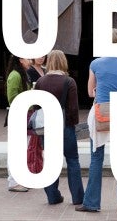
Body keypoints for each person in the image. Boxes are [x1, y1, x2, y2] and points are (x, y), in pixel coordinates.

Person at [75, 28, 117, 212]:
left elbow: (89, 91)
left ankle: (92, 203)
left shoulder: (96, 64)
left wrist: (97, 91)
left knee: (96, 157)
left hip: (100, 113)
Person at [35, 50, 84, 205]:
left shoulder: (41, 81)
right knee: (72, 161)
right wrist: (73, 125)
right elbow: (73, 109)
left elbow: (37, 105)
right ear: (64, 62)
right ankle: (77, 198)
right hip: (65, 127)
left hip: (47, 127)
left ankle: (52, 196)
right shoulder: (69, 82)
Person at [5, 55, 31, 192]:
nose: (30, 61)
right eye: (28, 58)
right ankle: (14, 181)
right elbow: (12, 97)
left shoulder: (21, 74)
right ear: (21, 59)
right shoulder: (15, 76)